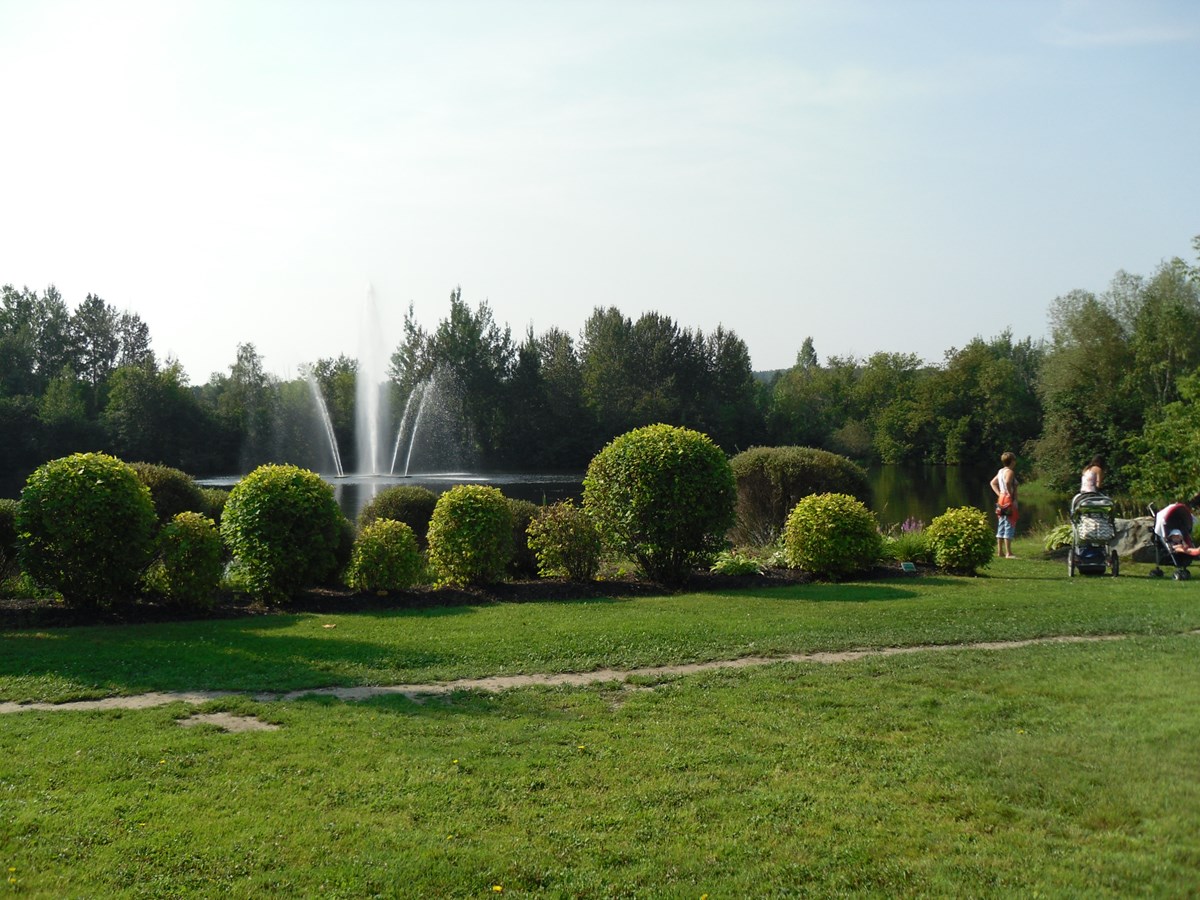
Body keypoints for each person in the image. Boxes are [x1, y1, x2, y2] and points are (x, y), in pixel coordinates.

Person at [989, 451, 1018, 558]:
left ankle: (1000, 551)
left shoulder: (1001, 471)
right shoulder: (1009, 471)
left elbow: (992, 483)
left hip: (1001, 499)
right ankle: (1008, 553)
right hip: (1008, 500)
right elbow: (1007, 482)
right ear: (1012, 461)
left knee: (1001, 524)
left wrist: (999, 493)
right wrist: (1010, 494)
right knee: (1009, 524)